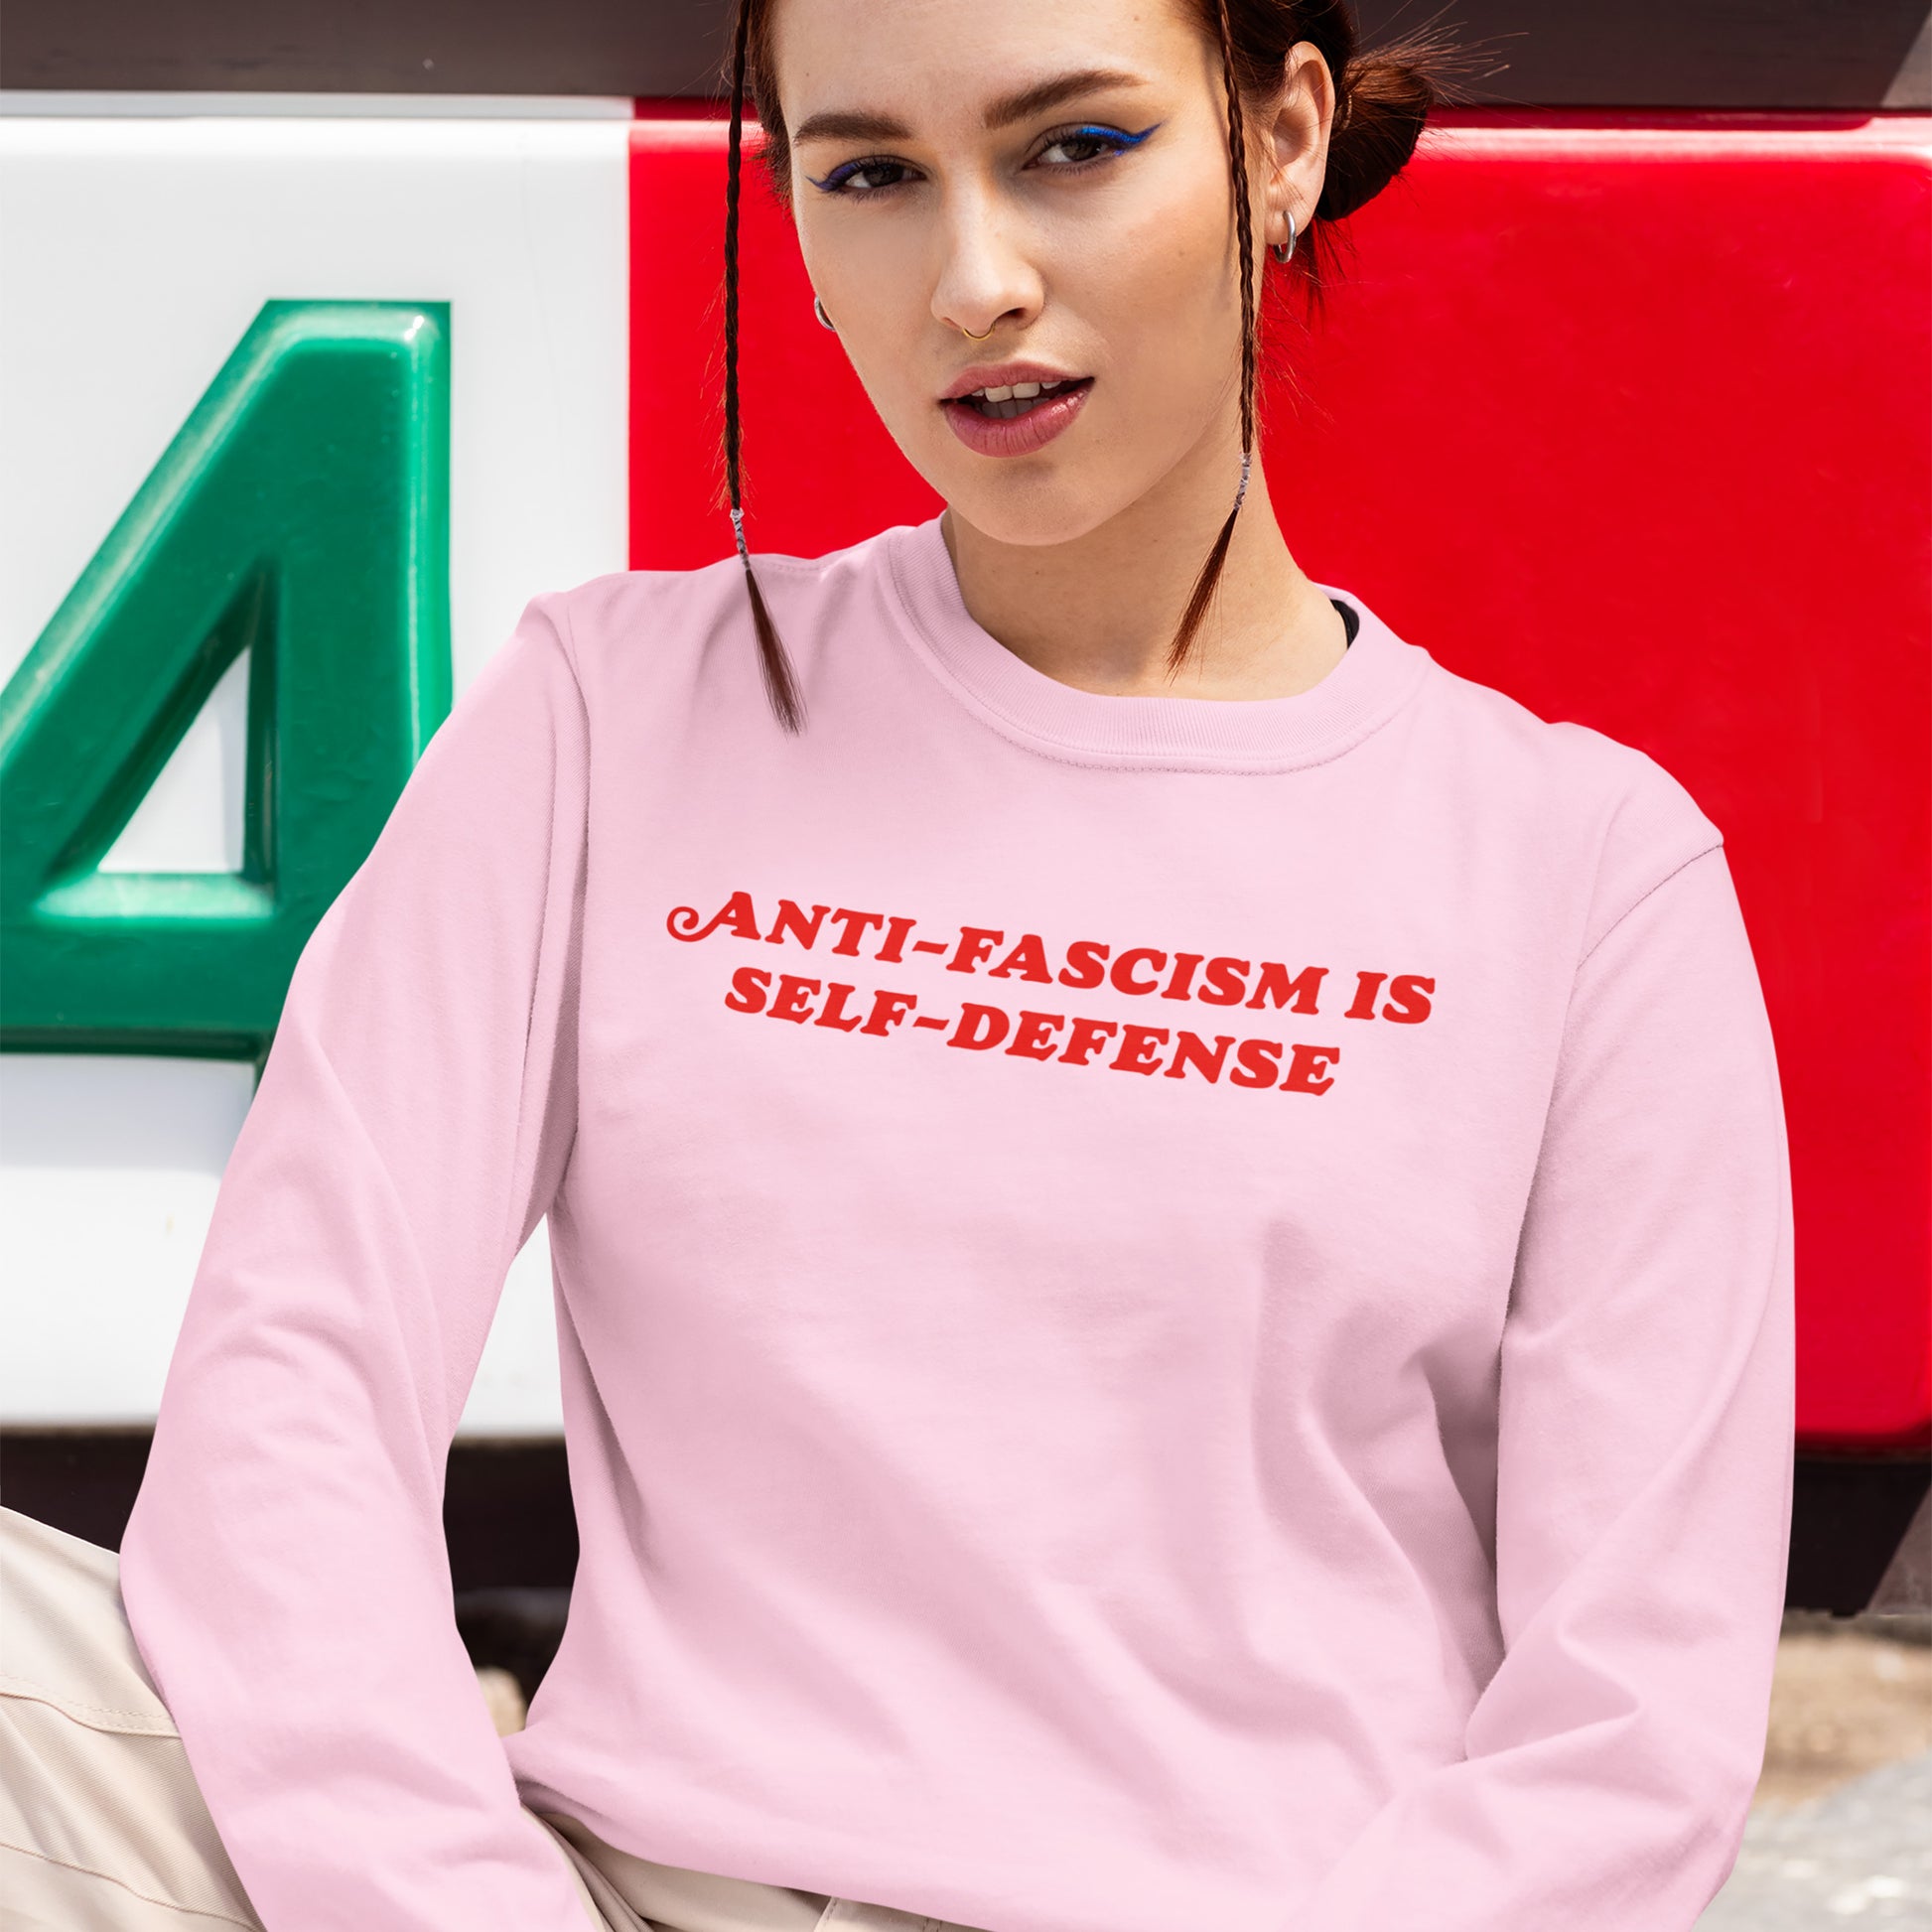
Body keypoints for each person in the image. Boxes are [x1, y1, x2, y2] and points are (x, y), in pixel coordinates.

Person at [0, 0, 1797, 1926]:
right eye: (869, 174)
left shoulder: (1587, 871)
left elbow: (1623, 1740)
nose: (972, 281)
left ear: (1277, 139)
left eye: (1073, 149)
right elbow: (294, 1404)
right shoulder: (603, 716)